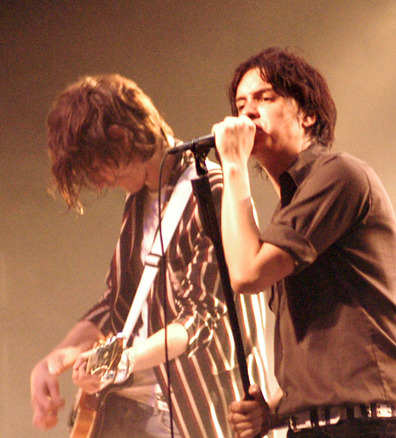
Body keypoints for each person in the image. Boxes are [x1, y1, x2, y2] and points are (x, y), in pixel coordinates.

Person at [30, 74, 272, 438]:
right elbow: (118, 305)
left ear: (121, 139)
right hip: (129, 413)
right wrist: (55, 361)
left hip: (198, 411)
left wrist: (124, 360)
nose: (98, 184)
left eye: (97, 168)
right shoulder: (139, 199)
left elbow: (200, 318)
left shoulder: (212, 193)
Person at [216, 48, 396, 438]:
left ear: (307, 114)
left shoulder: (339, 174)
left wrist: (232, 167)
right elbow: (315, 350)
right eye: (241, 103)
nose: (247, 113)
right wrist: (275, 411)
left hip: (364, 425)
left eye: (265, 98)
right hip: (315, 427)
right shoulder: (289, 206)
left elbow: (246, 273)